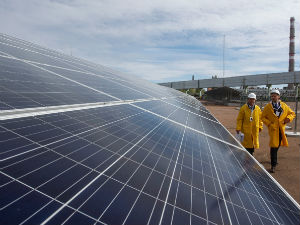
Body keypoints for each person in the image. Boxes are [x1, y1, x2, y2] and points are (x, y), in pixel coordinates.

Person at [261, 89, 295, 173]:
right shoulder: (268, 107)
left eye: (275, 95)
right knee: (273, 146)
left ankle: (274, 159)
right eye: (272, 96)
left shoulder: (284, 106)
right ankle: (273, 165)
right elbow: (262, 117)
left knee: (278, 145)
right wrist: (269, 124)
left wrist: (288, 119)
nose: (273, 97)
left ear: (278, 96)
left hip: (281, 129)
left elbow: (292, 113)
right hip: (273, 129)